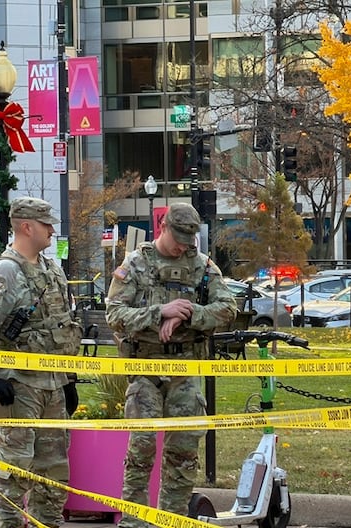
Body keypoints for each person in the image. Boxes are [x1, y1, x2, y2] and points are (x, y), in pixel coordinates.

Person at [106, 202, 237, 528]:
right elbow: (115, 315)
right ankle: (135, 522)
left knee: (183, 455)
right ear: (163, 227)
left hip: (185, 372)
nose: (182, 246)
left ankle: (172, 521)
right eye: (178, 237)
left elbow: (228, 308)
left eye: (188, 239)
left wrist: (189, 313)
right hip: (146, 371)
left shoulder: (203, 267)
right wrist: (159, 313)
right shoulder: (136, 264)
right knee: (141, 451)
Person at [0, 197, 80, 528]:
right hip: (18, 387)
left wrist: (69, 378)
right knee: (14, 470)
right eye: (46, 223)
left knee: (53, 472)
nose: (52, 230)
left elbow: (61, 326)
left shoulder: (52, 270)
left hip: (53, 385)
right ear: (26, 226)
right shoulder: (4, 271)